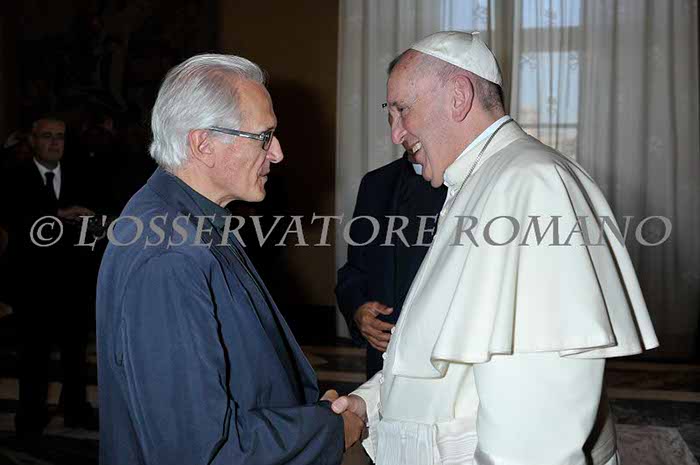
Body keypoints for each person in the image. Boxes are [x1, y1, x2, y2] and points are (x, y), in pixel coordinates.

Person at [331, 31, 659, 465]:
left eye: (403, 110)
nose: (396, 134)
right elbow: (451, 361)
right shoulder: (477, 182)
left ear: (458, 97)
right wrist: (370, 403)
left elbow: (536, 426)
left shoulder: (531, 184)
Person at [96, 54, 364, 465]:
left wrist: (312, 413)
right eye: (264, 136)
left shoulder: (192, 219)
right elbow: (200, 450)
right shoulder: (169, 256)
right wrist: (328, 429)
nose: (277, 153)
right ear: (203, 144)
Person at [336, 81, 446, 377]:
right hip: (384, 363)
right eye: (391, 111)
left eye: (405, 110)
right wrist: (358, 310)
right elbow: (354, 271)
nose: (397, 130)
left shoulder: (472, 182)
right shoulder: (376, 184)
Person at [0, 116, 97, 444]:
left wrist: (92, 221)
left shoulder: (81, 174)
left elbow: (95, 218)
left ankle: (76, 410)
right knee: (33, 357)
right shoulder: (14, 176)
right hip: (32, 285)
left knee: (75, 356)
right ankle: (30, 419)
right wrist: (56, 216)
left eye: (60, 137)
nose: (55, 143)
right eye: (47, 136)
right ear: (32, 140)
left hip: (72, 284)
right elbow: (13, 218)